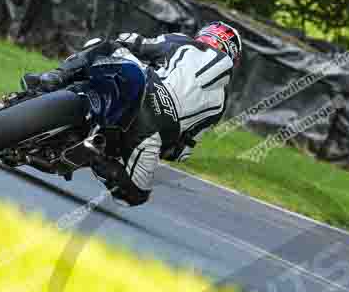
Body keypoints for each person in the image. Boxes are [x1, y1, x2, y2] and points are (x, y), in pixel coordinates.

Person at [21, 21, 242, 206]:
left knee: (104, 45)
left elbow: (136, 43)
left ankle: (54, 77)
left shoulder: (185, 43)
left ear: (205, 35)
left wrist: (123, 43)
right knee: (134, 195)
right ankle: (97, 156)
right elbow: (180, 152)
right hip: (152, 132)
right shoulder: (220, 103)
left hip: (143, 85)